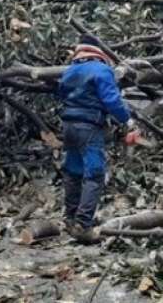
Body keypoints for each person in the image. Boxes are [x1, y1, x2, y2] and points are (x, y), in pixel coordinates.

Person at [58, 34, 140, 243]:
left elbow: (60, 94)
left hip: (68, 125)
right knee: (94, 173)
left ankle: (70, 218)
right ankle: (83, 225)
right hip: (88, 126)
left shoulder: (69, 72)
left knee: (73, 170)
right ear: (98, 53)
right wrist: (127, 121)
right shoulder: (102, 69)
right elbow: (112, 100)